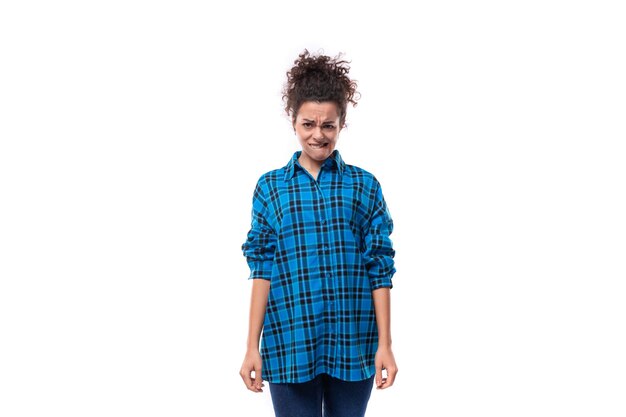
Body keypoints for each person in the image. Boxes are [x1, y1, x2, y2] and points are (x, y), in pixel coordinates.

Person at [240, 49, 397, 417]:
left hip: (353, 341)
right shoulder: (271, 188)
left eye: (328, 125)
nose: (318, 135)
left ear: (341, 124)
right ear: (293, 121)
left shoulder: (364, 186)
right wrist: (251, 346)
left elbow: (380, 267)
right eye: (308, 124)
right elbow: (261, 267)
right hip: (289, 340)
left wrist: (385, 344)